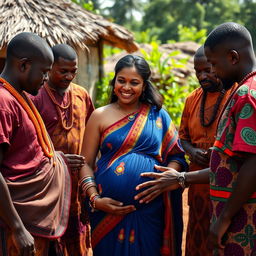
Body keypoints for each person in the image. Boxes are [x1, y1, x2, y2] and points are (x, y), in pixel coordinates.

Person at [135, 22, 256, 255]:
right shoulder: (242, 91)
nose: (211, 71)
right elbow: (231, 164)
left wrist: (223, 219)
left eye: (213, 64)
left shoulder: (246, 95)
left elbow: (252, 162)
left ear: (232, 58)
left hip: (242, 220)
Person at [78, 55, 187, 256]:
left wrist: (165, 179)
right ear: (114, 81)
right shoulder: (100, 115)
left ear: (144, 86)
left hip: (150, 212)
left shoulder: (158, 114)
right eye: (121, 80)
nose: (126, 87)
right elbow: (85, 162)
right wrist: (95, 199)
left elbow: (177, 156)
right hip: (106, 213)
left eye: (134, 82)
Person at [0, 32, 72, 256]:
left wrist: (56, 159)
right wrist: (18, 228)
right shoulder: (3, 102)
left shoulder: (18, 96)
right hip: (18, 224)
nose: (45, 79)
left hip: (31, 222)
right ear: (23, 65)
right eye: (43, 72)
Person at [30, 44, 94, 256]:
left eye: (73, 71)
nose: (69, 76)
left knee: (79, 237)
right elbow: (29, 144)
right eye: (63, 71)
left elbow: (94, 134)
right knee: (51, 242)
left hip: (79, 184)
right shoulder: (36, 96)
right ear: (50, 68)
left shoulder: (82, 95)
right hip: (50, 185)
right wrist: (58, 160)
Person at [179, 46, 238, 256]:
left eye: (207, 70)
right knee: (197, 240)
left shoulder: (236, 95)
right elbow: (182, 138)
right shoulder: (191, 99)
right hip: (197, 190)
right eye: (197, 71)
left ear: (216, 66)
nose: (202, 76)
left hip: (226, 187)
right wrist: (192, 151)